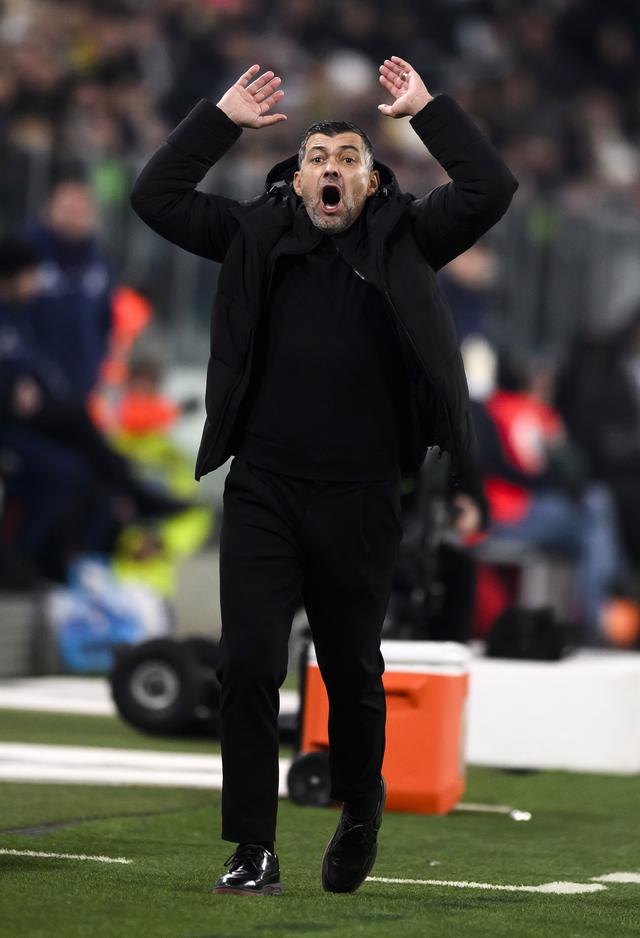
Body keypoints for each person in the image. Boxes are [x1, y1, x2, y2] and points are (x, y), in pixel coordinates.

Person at [130, 57, 517, 896]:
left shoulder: (410, 236)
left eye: (348, 158)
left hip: (363, 495)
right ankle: (252, 847)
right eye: (317, 159)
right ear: (297, 179)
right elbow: (154, 196)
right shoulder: (253, 234)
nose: (331, 169)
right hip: (264, 487)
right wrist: (219, 119)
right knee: (247, 664)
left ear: (372, 182)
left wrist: (427, 112)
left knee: (351, 673)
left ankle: (361, 806)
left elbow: (491, 188)